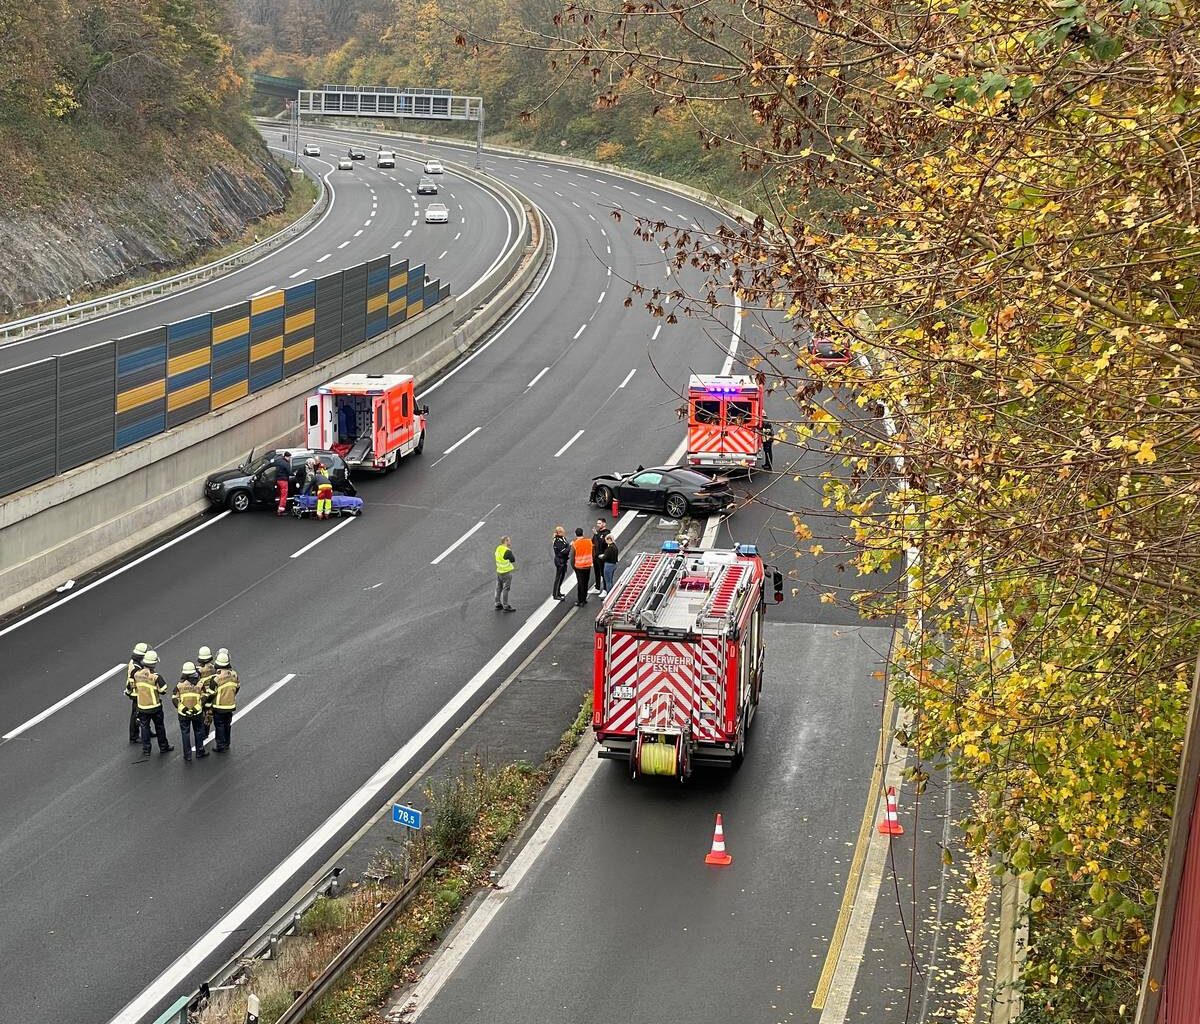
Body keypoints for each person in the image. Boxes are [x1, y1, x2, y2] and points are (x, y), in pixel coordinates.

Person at [132, 650, 172, 756]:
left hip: (142, 707)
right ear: (153, 664)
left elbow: (130, 688)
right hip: (155, 707)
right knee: (159, 727)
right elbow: (163, 690)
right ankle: (164, 747)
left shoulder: (136, 675)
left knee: (144, 727)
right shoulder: (156, 676)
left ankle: (146, 750)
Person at [172, 662, 208, 762]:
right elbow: (204, 696)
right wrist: (196, 708)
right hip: (197, 713)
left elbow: (174, 698)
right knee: (199, 731)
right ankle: (200, 752)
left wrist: (184, 709)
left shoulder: (179, 685)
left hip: (183, 714)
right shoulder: (200, 684)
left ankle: (187, 755)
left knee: (185, 733)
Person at [207, 649, 240, 753]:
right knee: (227, 725)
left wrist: (207, 705)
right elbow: (237, 687)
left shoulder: (217, 678)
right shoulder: (234, 674)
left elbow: (211, 693)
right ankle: (227, 743)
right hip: (230, 705)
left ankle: (220, 745)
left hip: (219, 706)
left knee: (219, 725)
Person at [125, 642, 150, 744]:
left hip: (137, 692)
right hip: (136, 693)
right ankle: (134, 736)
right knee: (136, 714)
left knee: (144, 713)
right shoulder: (137, 668)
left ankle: (147, 730)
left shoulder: (134, 662)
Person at [571, 527, 593, 606]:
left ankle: (581, 601)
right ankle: (584, 598)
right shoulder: (589, 542)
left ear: (576, 534)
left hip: (579, 567)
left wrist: (574, 567)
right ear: (582, 533)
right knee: (586, 582)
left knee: (580, 584)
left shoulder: (575, 544)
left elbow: (572, 558)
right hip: (587, 565)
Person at [494, 535, 516, 611]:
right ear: (506, 541)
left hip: (499, 571)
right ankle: (506, 606)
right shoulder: (507, 551)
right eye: (509, 540)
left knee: (498, 587)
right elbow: (513, 560)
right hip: (506, 572)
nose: (510, 541)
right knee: (506, 588)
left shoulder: (498, 548)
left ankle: (497, 603)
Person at [591, 519, 610, 593]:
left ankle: (605, 589)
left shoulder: (607, 533)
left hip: (602, 556)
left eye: (599, 523)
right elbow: (593, 541)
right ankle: (597, 588)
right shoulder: (598, 532)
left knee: (603, 573)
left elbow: (603, 543)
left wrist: (596, 534)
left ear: (604, 524)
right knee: (596, 572)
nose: (598, 525)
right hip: (596, 555)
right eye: (597, 523)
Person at [551, 526, 570, 602]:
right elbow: (564, 551)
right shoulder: (557, 541)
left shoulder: (562, 538)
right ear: (559, 532)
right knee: (558, 578)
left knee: (561, 577)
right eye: (562, 531)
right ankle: (555, 594)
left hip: (563, 560)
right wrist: (570, 546)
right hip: (560, 561)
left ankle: (558, 592)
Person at [271, 451, 292, 516]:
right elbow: (289, 472)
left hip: (278, 480)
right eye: (289, 457)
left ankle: (278, 507)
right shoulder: (286, 463)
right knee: (284, 496)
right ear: (287, 457)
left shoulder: (279, 461)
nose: (289, 459)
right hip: (283, 481)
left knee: (280, 495)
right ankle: (280, 510)